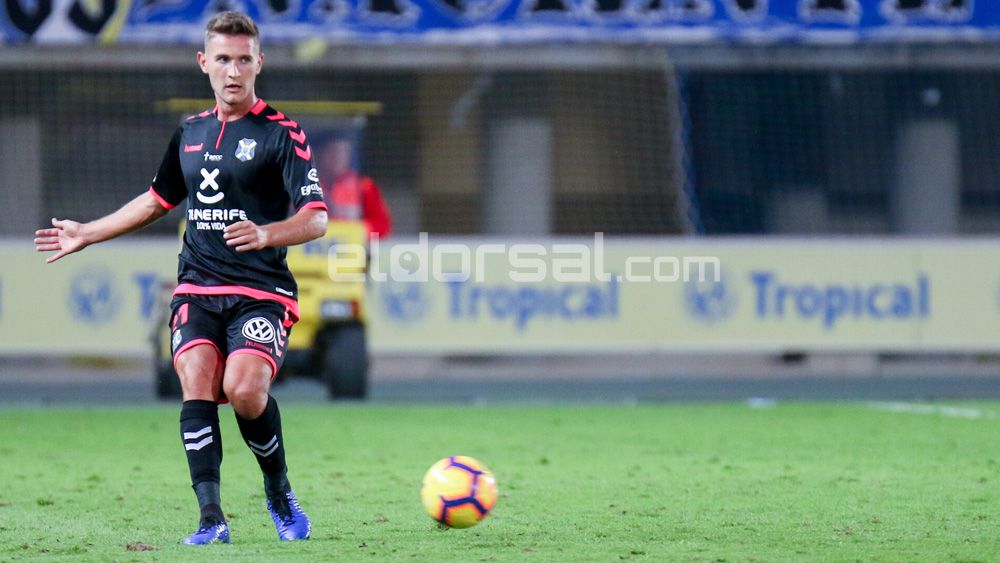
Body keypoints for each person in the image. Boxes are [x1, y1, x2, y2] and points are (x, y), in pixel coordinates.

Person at [33, 11, 326, 545]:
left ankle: (279, 490)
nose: (233, 71)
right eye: (222, 60)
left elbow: (316, 217)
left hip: (261, 292)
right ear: (204, 64)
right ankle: (211, 518)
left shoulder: (282, 134)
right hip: (197, 285)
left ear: (259, 62)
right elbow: (156, 200)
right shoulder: (189, 132)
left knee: (242, 390)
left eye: (243, 59)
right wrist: (88, 232)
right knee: (194, 376)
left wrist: (266, 234)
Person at [317, 133, 392, 239]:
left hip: (350, 251)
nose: (338, 158)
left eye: (343, 152)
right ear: (321, 155)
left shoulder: (363, 186)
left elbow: (382, 225)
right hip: (307, 252)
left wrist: (355, 231)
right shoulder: (303, 185)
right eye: (333, 152)